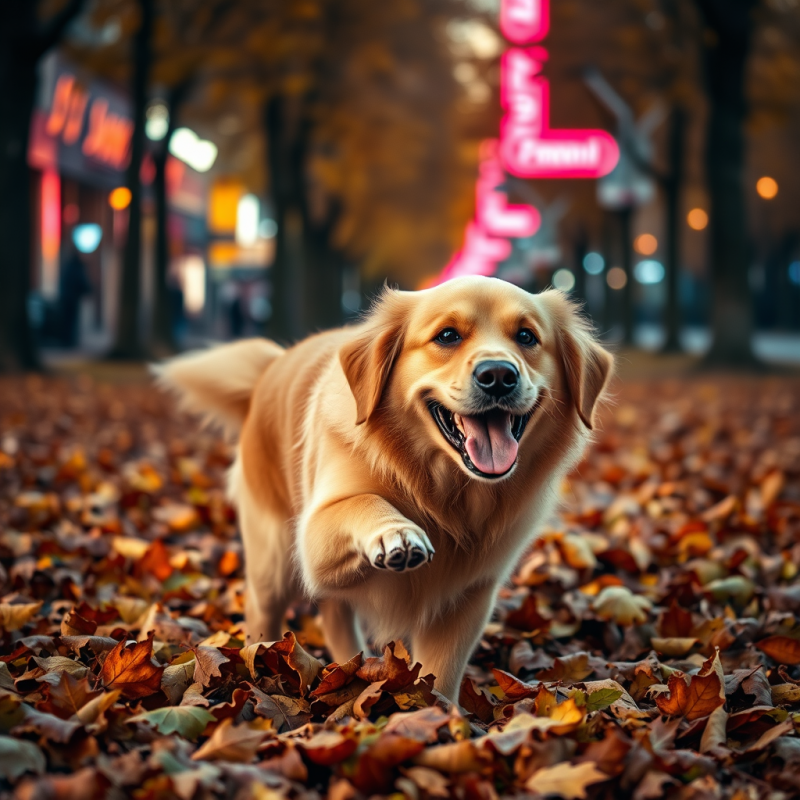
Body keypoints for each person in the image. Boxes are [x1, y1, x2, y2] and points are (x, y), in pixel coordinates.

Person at [58, 244, 92, 348]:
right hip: (71, 298)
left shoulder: (68, 265)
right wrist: (88, 289)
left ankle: (67, 341)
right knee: (71, 321)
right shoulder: (76, 266)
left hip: (66, 297)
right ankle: (69, 341)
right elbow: (80, 281)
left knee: (68, 320)